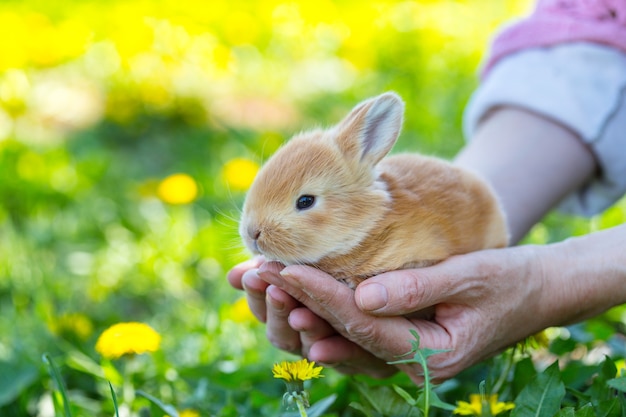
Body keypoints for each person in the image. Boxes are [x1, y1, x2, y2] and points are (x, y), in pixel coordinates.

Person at [227, 0, 626, 384]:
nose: (255, 233)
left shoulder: (394, 237)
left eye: (304, 203)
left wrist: (549, 282)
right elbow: (597, 32)